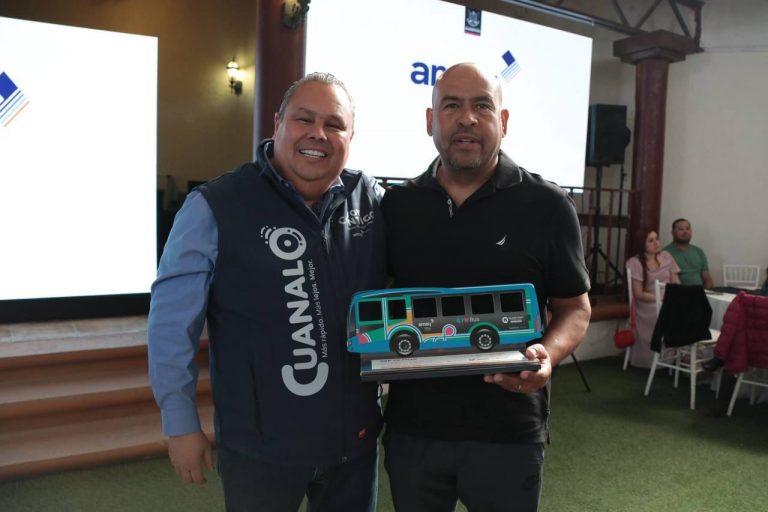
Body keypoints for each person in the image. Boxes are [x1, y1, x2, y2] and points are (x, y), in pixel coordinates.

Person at [147, 72, 387, 512]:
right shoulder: (215, 207)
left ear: (351, 137)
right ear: (277, 123)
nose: (318, 134)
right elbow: (170, 327)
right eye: (304, 119)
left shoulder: (370, 199)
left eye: (334, 124)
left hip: (353, 444)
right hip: (258, 449)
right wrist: (179, 423)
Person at [380, 62, 591, 512]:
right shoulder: (396, 206)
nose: (467, 119)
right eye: (451, 106)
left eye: (482, 106)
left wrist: (548, 356)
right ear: (430, 120)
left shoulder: (549, 206)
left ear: (504, 121)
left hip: (509, 433)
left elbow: (575, 308)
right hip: (413, 430)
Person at [626, 230, 681, 368]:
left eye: (657, 239)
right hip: (648, 302)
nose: (656, 243)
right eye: (651, 241)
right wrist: (661, 298)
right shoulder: (636, 262)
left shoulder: (666, 256)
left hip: (668, 298)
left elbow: (676, 281)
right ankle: (660, 358)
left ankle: (682, 356)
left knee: (689, 308)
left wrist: (674, 295)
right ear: (642, 244)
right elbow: (639, 294)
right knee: (668, 311)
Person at [663, 218, 713, 288]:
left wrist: (706, 292)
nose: (685, 232)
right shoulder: (665, 254)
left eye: (687, 228)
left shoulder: (699, 251)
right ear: (673, 233)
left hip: (701, 292)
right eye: (681, 229)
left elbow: (707, 279)